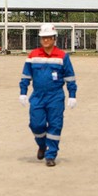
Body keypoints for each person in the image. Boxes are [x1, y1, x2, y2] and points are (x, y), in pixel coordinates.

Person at [19, 23, 77, 167]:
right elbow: (26, 76)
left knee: (55, 126)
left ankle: (51, 155)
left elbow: (70, 77)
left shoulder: (63, 56)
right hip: (37, 96)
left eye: (48, 37)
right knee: (36, 124)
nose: (46, 40)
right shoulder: (32, 56)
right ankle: (42, 145)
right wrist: (23, 93)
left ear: (54, 38)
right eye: (43, 38)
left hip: (55, 96)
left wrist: (72, 95)